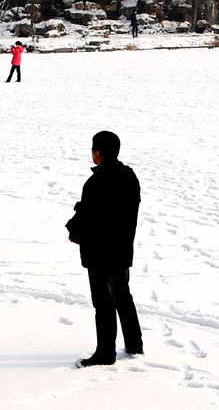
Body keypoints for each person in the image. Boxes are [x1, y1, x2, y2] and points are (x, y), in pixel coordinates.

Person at [66, 131, 143, 367]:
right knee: (122, 295)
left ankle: (105, 354)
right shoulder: (130, 177)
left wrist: (74, 232)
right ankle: (134, 344)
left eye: (93, 149)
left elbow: (89, 214)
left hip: (100, 250)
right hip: (121, 248)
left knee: (103, 301)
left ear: (98, 152)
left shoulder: (97, 181)